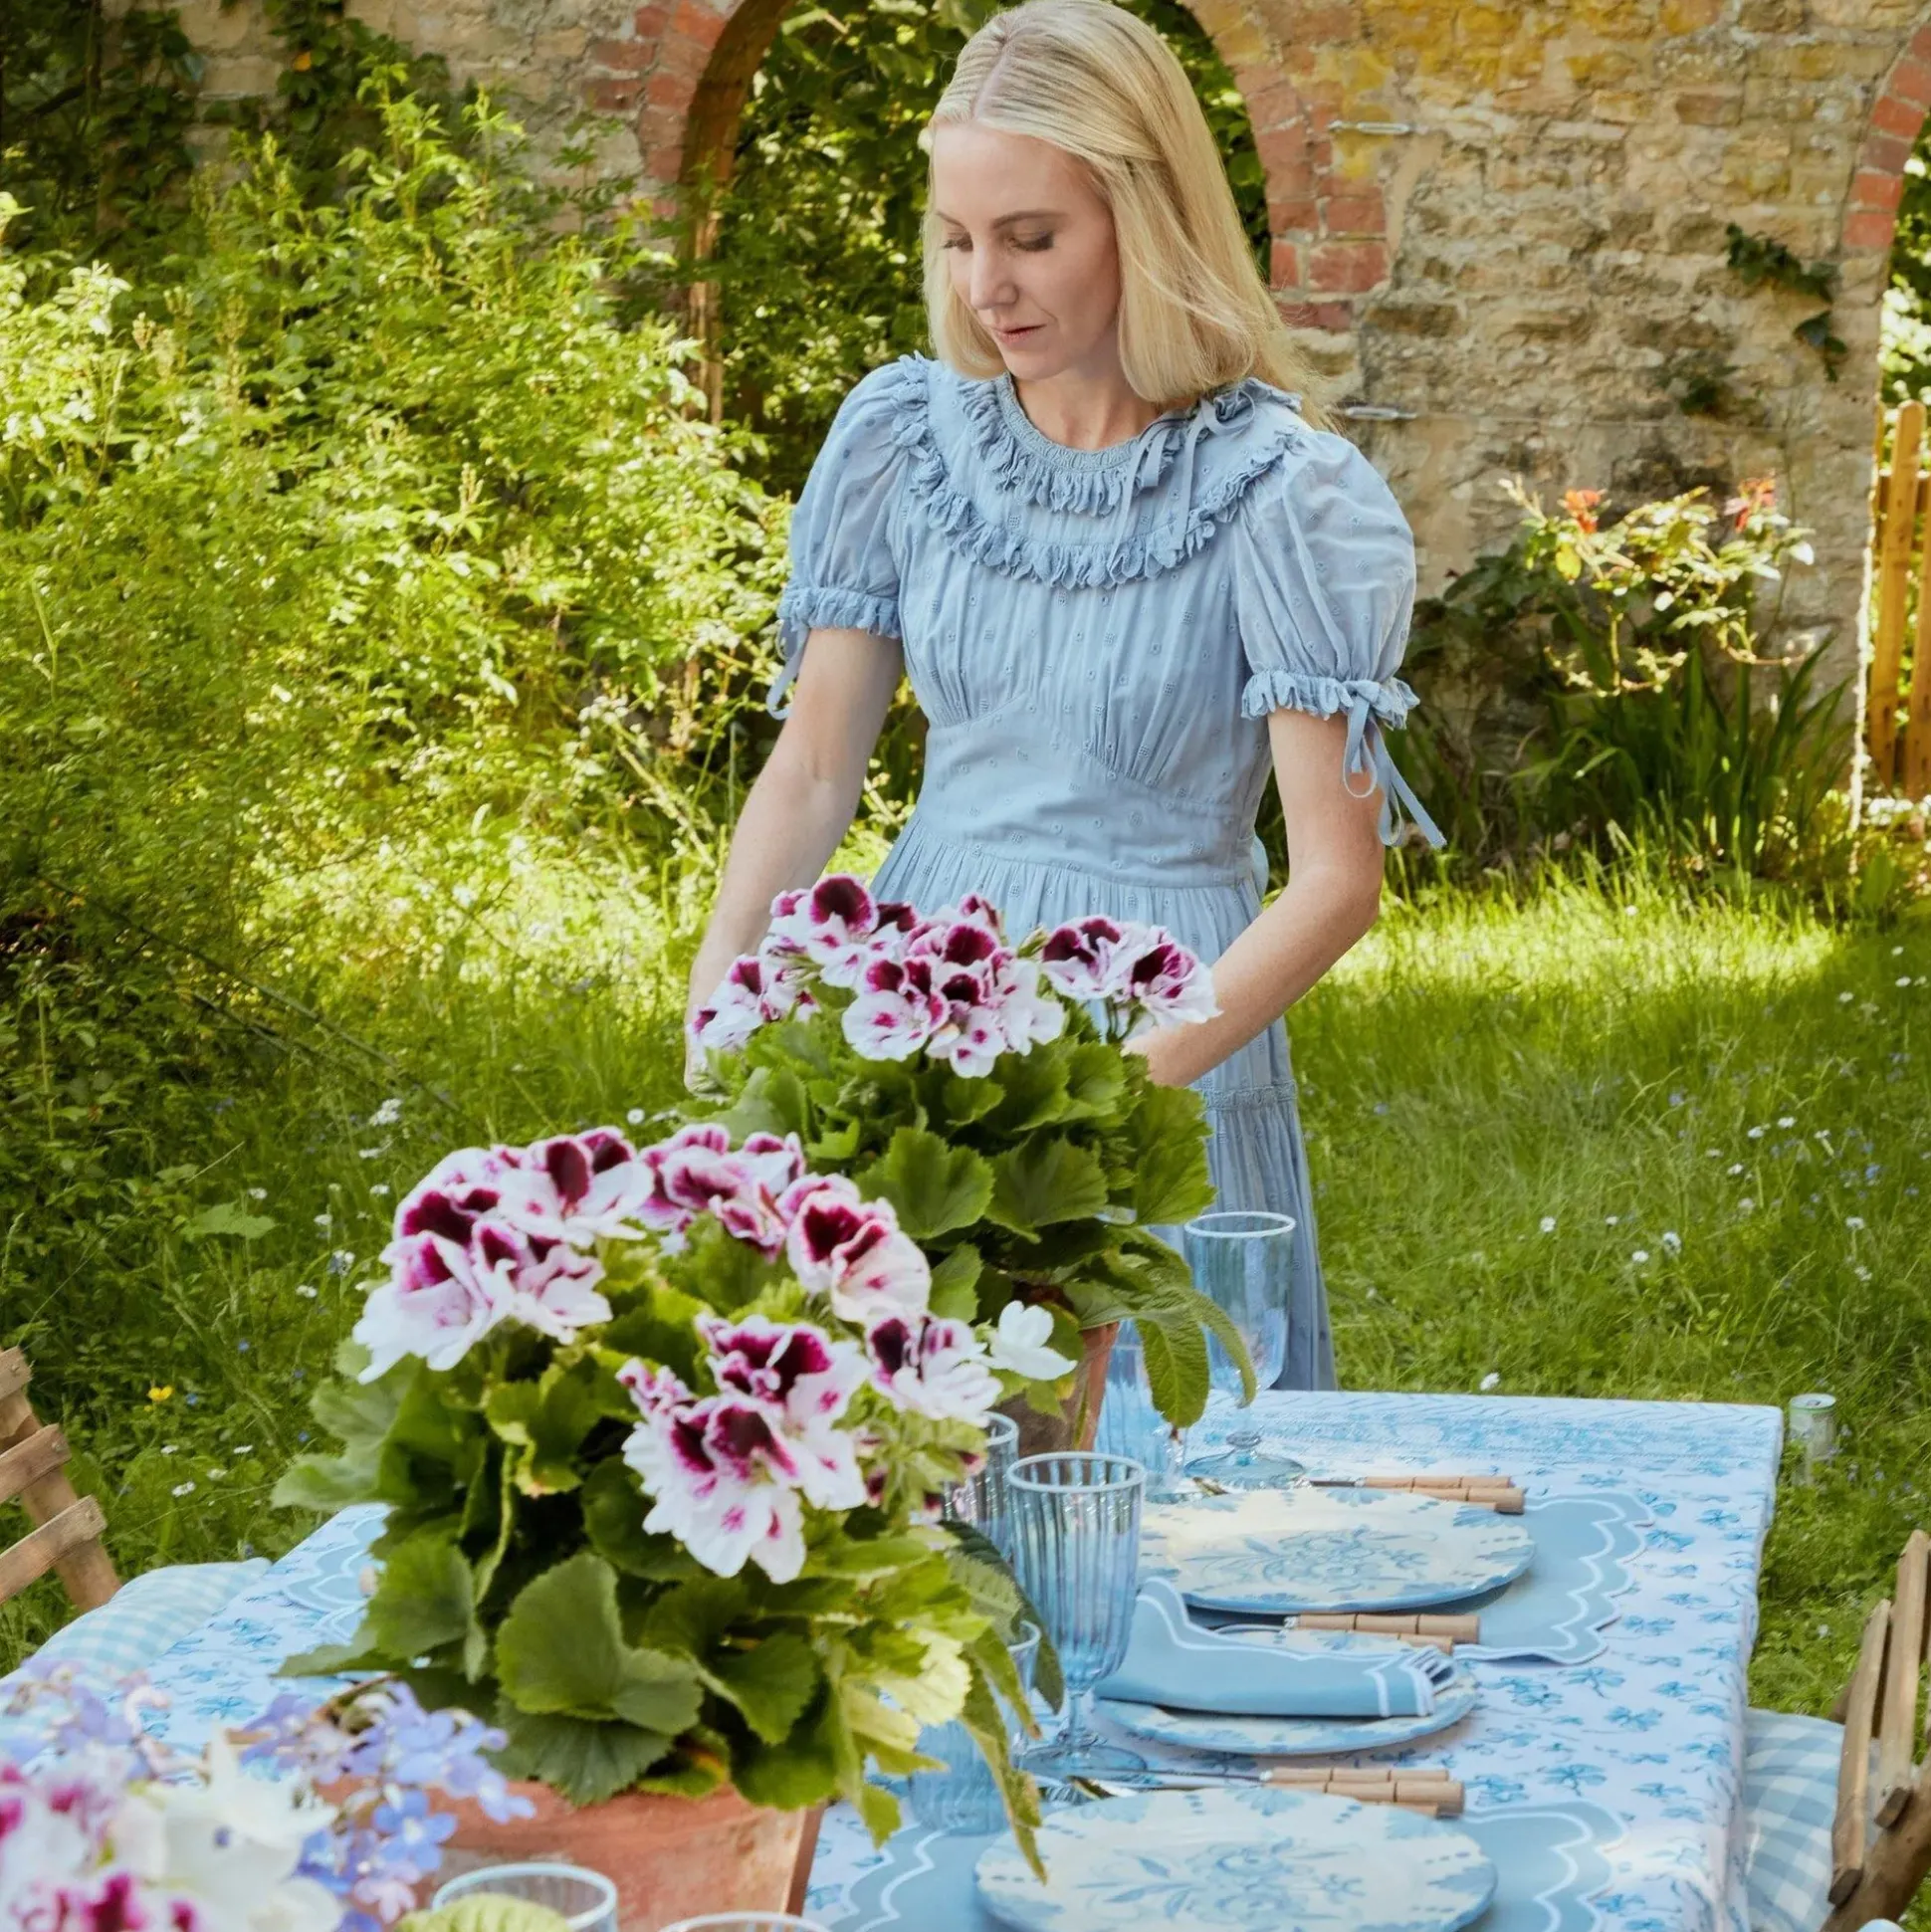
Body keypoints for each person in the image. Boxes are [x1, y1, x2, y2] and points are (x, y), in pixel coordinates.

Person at [683, 0, 1441, 1390]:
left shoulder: (1280, 493)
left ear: (1143, 221)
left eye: (1032, 238)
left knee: (1165, 1491)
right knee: (899, 1485)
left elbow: (1337, 885)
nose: (988, 286)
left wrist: (1106, 1094)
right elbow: (809, 771)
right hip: (922, 1003)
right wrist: (727, 998)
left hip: (1160, 1032)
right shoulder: (904, 444)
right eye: (960, 240)